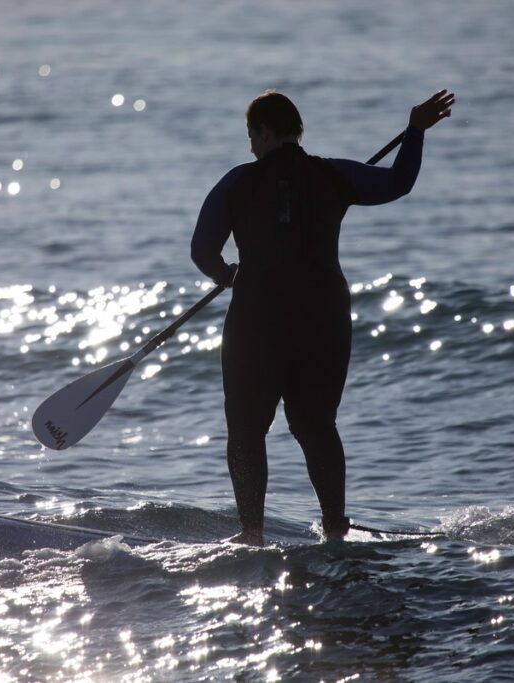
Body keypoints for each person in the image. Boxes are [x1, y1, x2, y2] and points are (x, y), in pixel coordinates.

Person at [191, 89, 456, 545]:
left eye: (252, 136)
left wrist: (228, 274)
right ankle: (335, 527)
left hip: (259, 318)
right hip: (325, 316)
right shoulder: (333, 174)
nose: (251, 145)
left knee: (247, 427)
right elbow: (398, 183)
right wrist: (414, 132)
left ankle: (251, 533)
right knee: (315, 424)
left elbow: (201, 250)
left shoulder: (237, 182)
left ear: (266, 132)